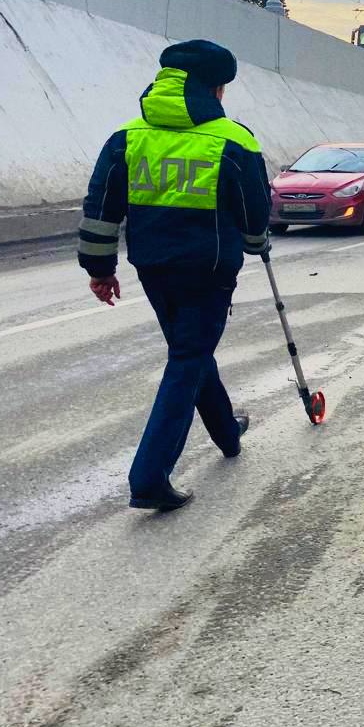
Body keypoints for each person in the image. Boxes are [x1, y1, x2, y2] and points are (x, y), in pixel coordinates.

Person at [78, 40, 272, 511]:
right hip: (209, 271)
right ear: (216, 88)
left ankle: (227, 432)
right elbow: (255, 213)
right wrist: (255, 245)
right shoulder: (234, 139)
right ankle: (149, 476)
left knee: (190, 350)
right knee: (187, 358)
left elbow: (101, 210)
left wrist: (101, 269)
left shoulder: (126, 137)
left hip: (153, 267)